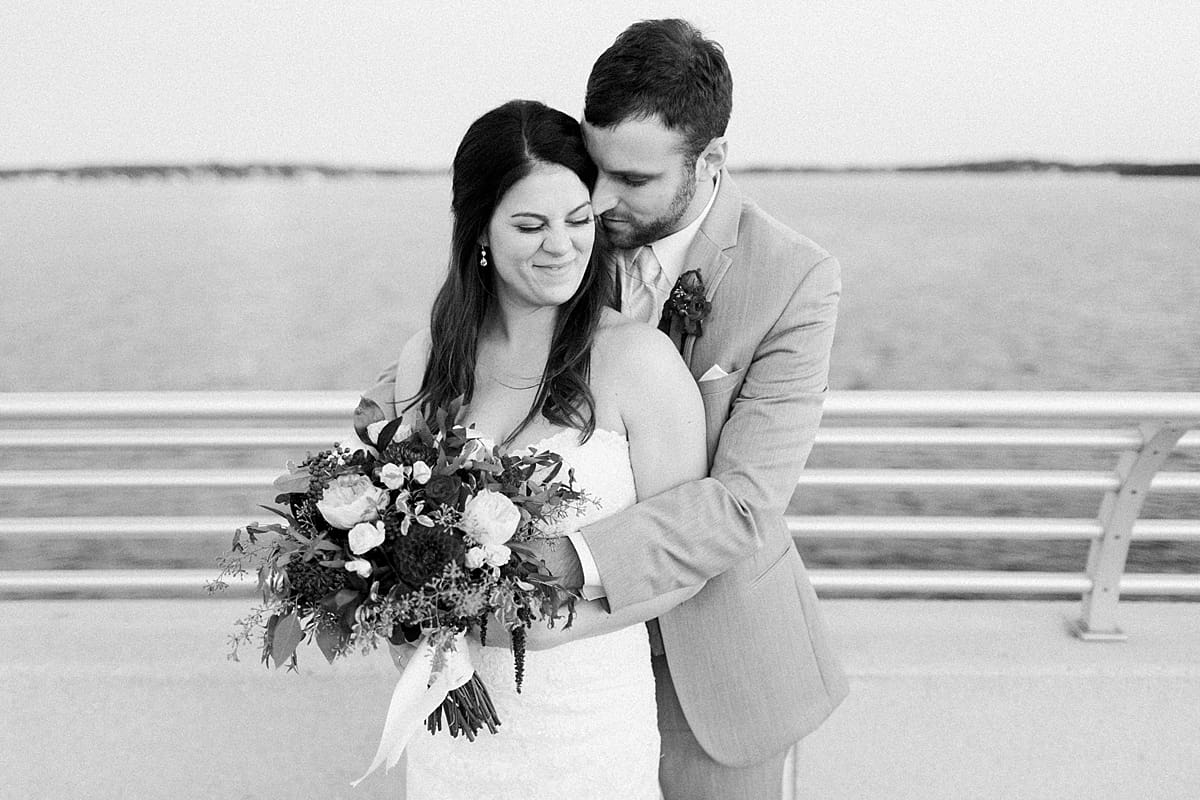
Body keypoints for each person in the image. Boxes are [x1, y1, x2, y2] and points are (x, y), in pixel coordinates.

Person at [524, 19, 850, 800]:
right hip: (554, 668)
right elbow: (448, 372)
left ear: (711, 161)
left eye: (632, 181)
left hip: (716, 663)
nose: (597, 203)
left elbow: (745, 502)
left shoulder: (796, 279)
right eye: (592, 167)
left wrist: (563, 564)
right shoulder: (553, 236)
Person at [359, 99, 707, 799]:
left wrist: (558, 627)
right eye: (530, 225)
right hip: (453, 735)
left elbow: (684, 560)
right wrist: (395, 609)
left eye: (578, 221)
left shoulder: (637, 361)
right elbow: (393, 536)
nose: (561, 246)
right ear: (479, 232)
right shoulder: (427, 359)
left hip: (584, 726)